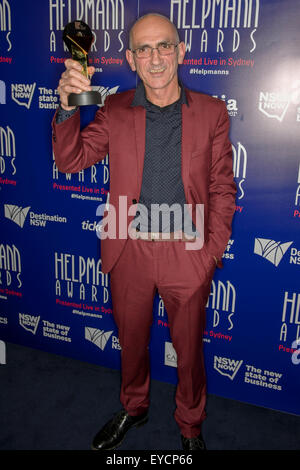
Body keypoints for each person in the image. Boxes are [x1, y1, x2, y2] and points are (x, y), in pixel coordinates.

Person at [52, 13, 236, 451]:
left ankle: (191, 427)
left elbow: (222, 187)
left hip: (187, 253)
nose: (155, 58)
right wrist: (66, 107)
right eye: (144, 49)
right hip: (128, 249)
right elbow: (70, 160)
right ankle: (135, 408)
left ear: (181, 51)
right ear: (131, 59)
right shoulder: (114, 110)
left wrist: (209, 252)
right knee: (131, 344)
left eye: (164, 46)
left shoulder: (211, 111)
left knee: (189, 353)